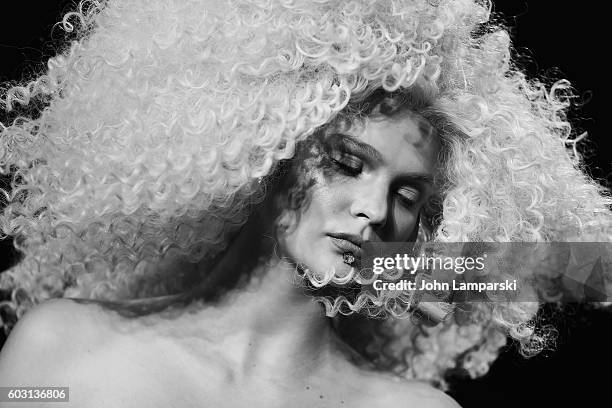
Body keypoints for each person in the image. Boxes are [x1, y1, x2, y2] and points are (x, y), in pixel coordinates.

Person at [0, 0, 609, 406]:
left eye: (408, 195)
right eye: (347, 163)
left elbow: (595, 268)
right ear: (268, 149)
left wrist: (467, 268)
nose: (373, 207)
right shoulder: (62, 351)